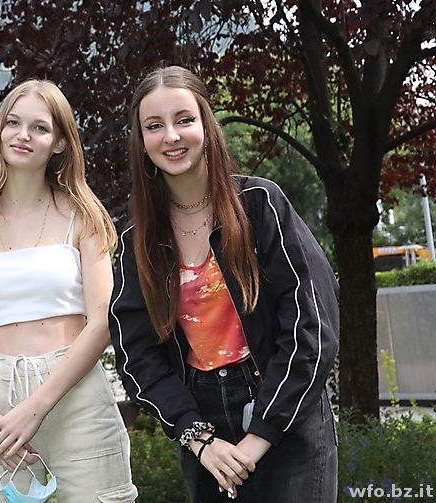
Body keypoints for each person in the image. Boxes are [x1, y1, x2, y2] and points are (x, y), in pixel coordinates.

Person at [109, 66, 339, 503]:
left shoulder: (261, 206)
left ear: (205, 124)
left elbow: (311, 326)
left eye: (183, 119)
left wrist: (259, 435)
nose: (171, 136)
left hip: (285, 409)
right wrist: (200, 440)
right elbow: (137, 354)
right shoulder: (137, 242)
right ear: (141, 141)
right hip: (203, 424)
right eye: (154, 126)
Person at [0, 80, 139, 502]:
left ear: (59, 143)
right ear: (0, 131)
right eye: (13, 123)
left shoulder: (83, 216)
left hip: (75, 395)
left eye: (39, 128)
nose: (23, 135)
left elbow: (103, 321)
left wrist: (34, 409)